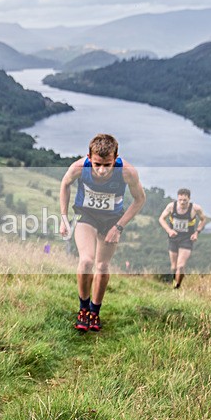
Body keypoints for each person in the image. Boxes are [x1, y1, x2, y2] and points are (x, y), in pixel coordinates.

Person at [59, 134, 146, 332]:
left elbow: (140, 199)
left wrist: (119, 227)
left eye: (107, 164)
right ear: (89, 157)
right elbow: (65, 184)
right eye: (97, 164)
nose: (101, 170)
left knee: (102, 265)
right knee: (87, 261)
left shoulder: (127, 172)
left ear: (116, 158)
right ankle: (83, 310)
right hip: (86, 215)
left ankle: (95, 312)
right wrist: (64, 217)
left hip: (112, 220)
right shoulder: (79, 167)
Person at [158, 188, 208, 289]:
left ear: (189, 199)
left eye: (185, 200)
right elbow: (161, 218)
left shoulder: (195, 209)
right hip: (174, 238)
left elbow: (203, 220)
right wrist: (169, 230)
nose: (182, 202)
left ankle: (177, 286)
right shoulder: (171, 206)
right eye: (180, 199)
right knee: (174, 266)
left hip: (187, 239)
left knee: (180, 266)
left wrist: (196, 232)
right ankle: (173, 283)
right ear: (177, 198)